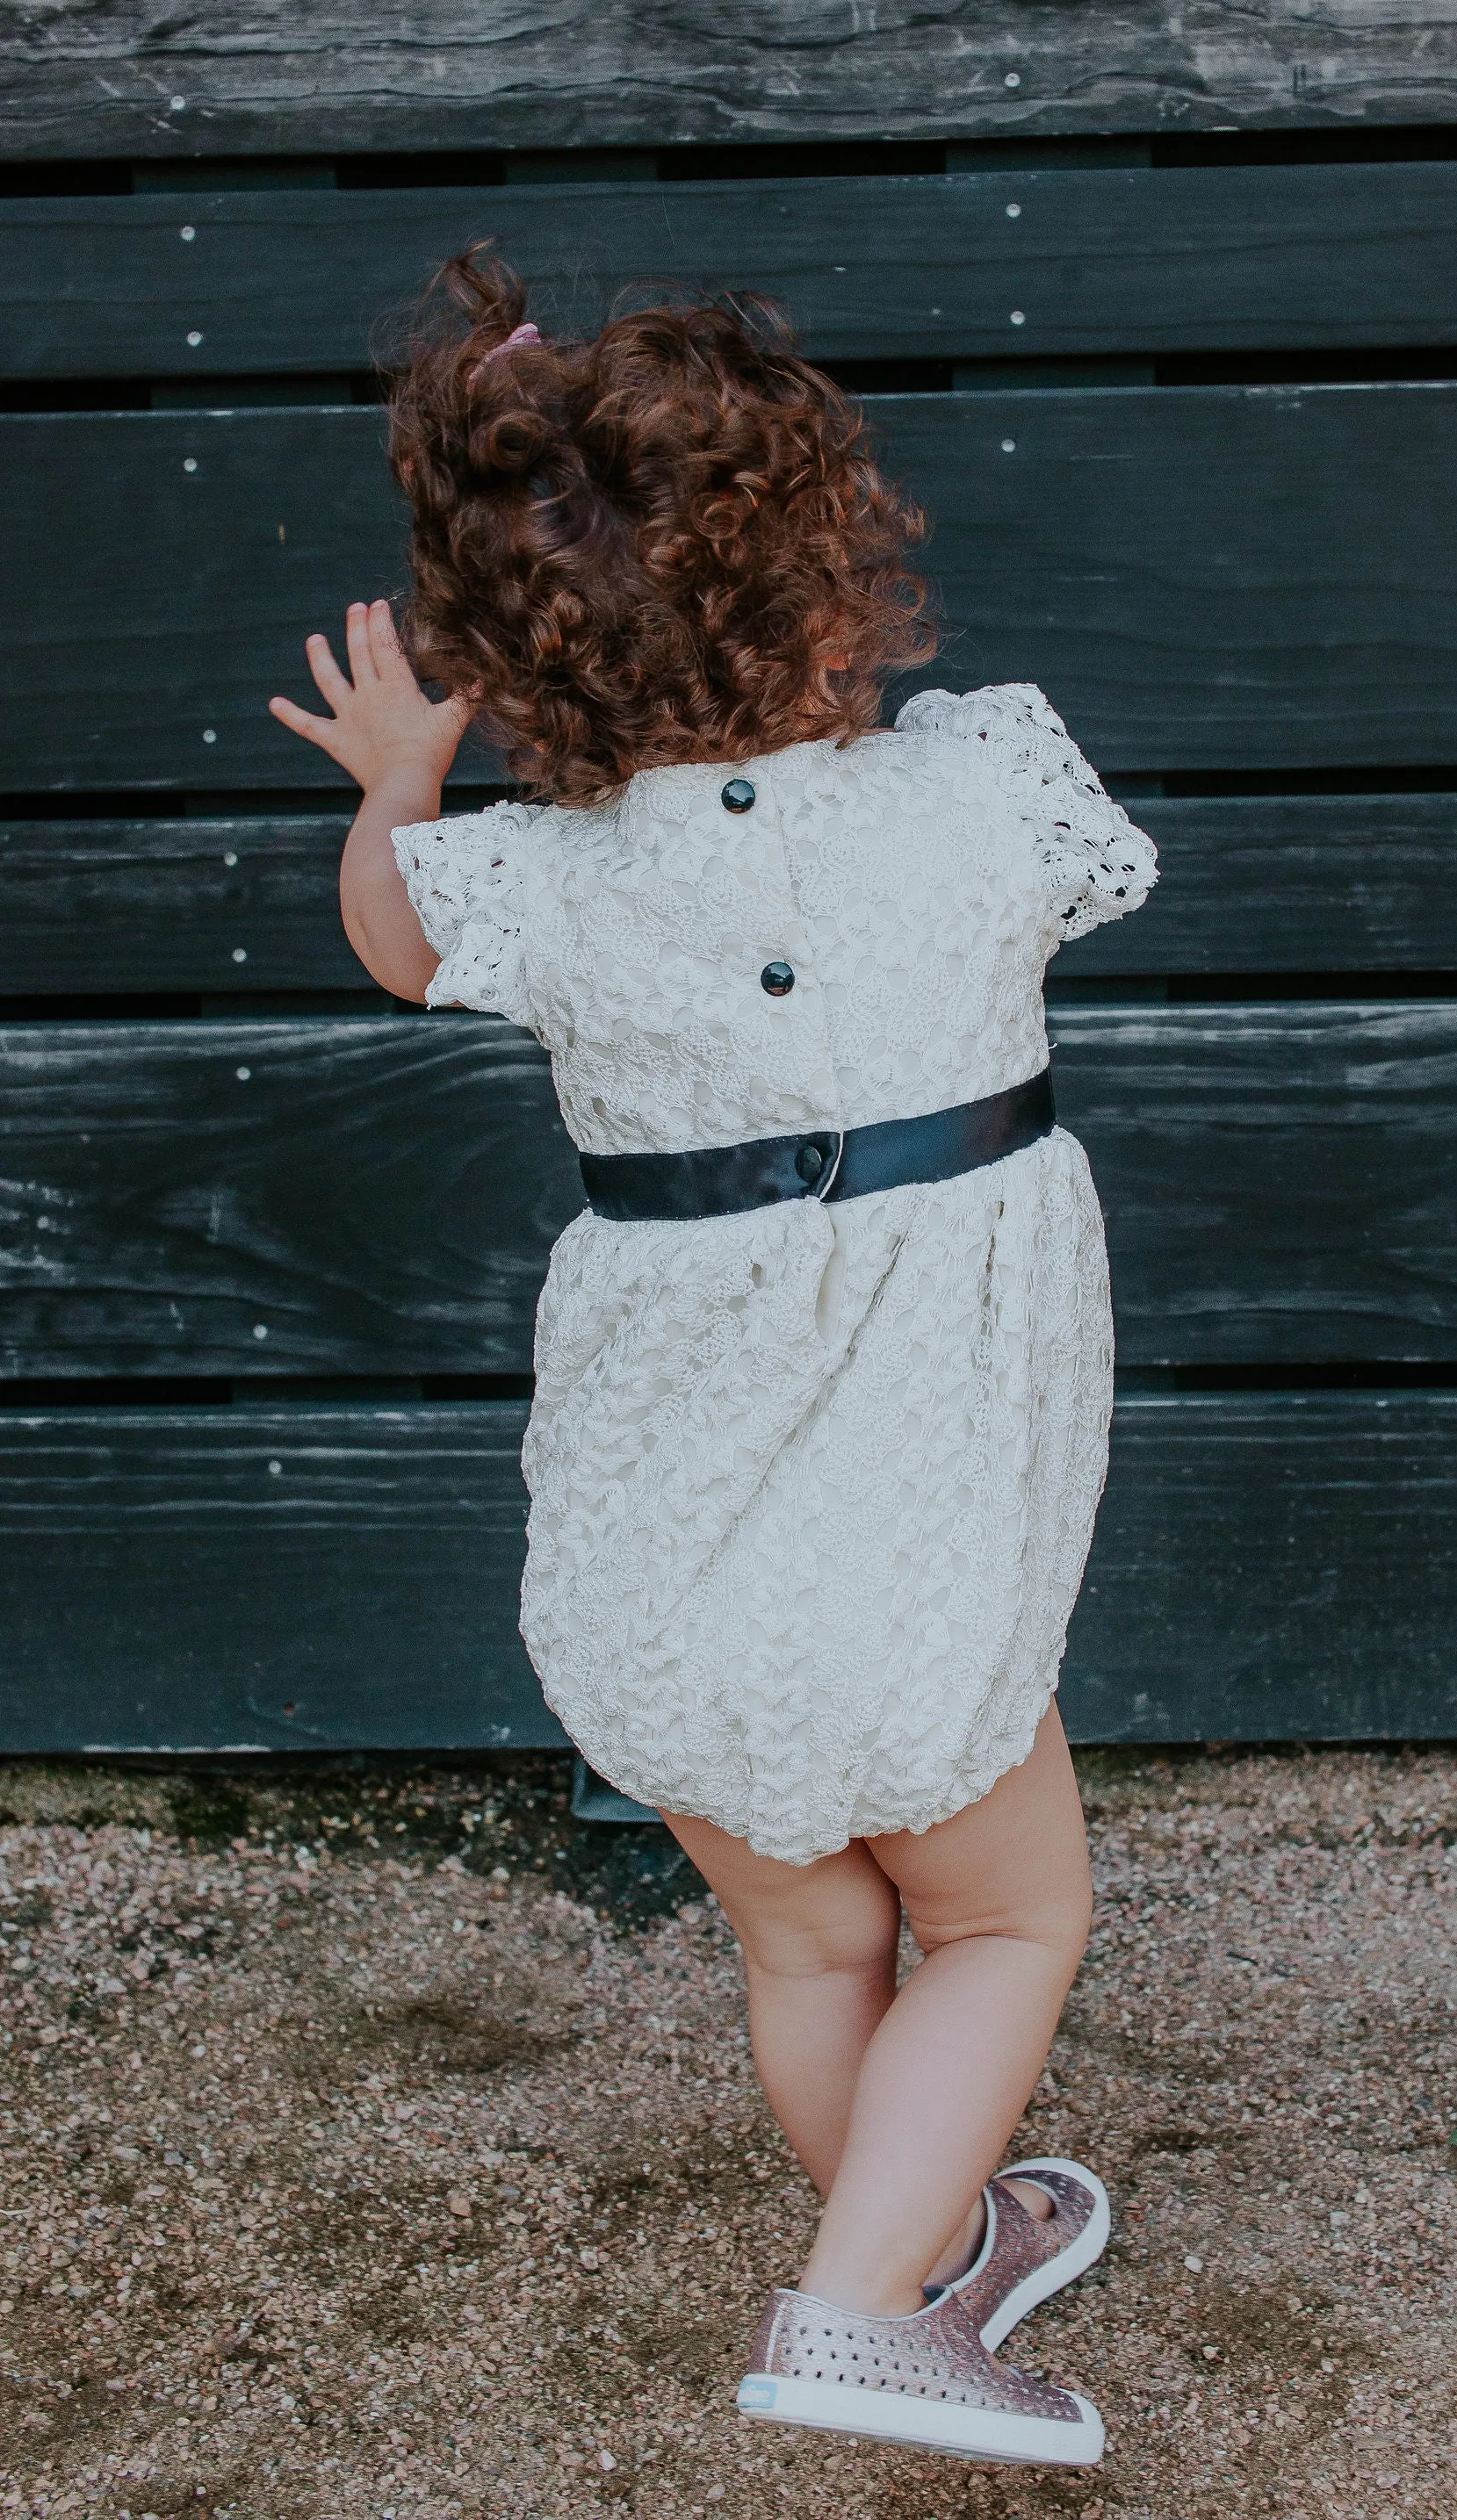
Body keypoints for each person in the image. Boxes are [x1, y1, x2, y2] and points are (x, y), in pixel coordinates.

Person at [270, 250, 1155, 2468]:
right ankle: (857, 2313)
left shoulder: (543, 884)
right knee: (1006, 1917)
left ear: (511, 662)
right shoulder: (989, 788)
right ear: (841, 566)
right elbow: (1080, 875)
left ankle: (933, 2245)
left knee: (808, 1954)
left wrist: (402, 781)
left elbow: (397, 946)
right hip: (908, 1577)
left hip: (654, 1591)